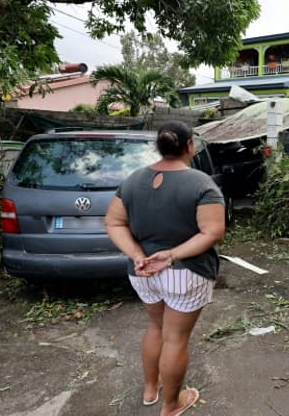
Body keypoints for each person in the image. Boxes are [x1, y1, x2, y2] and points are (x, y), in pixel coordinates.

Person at [105, 122, 225, 416]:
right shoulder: (202, 183)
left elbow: (113, 222)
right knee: (175, 338)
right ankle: (172, 405)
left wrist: (137, 255)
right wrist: (171, 256)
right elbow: (212, 232)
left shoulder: (133, 180)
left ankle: (150, 390)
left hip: (143, 272)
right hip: (186, 272)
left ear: (159, 147)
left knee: (155, 327)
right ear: (189, 146)